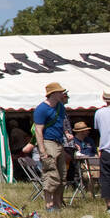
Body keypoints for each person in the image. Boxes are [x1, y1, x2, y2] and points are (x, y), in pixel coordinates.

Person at [34, 82, 70, 211]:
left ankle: (58, 204)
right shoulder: (41, 109)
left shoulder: (60, 107)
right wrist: (42, 150)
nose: (63, 94)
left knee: (62, 175)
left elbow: (63, 123)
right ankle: (49, 205)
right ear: (53, 94)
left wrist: (66, 135)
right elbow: (38, 130)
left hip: (59, 142)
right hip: (48, 141)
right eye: (60, 92)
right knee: (51, 173)